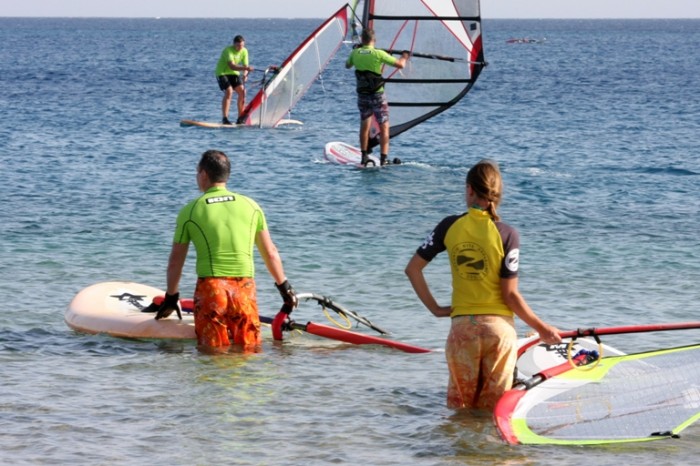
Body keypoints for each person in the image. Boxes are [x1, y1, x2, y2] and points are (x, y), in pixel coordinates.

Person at [404, 159, 561, 410]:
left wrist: (436, 309)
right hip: (499, 333)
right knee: (493, 411)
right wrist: (542, 328)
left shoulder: (448, 226)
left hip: (462, 329)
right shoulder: (508, 234)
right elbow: (510, 295)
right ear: (498, 194)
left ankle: (458, 447)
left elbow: (413, 269)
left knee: (460, 408)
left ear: (469, 190)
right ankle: (487, 450)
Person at [152, 150, 297, 353]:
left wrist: (171, 297)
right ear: (226, 175)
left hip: (212, 291)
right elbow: (270, 253)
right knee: (249, 353)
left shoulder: (191, 210)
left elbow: (176, 261)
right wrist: (285, 289)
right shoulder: (251, 206)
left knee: (212, 356)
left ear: (203, 174)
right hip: (244, 290)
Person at [345, 29, 409, 166]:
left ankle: (363, 156)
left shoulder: (355, 53)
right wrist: (405, 56)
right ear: (374, 40)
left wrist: (357, 51)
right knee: (384, 126)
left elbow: (347, 65)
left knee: (364, 125)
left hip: (362, 96)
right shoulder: (378, 53)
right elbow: (401, 65)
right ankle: (383, 158)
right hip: (377, 96)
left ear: (362, 40)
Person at [215, 35, 253, 125]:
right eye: (238, 46)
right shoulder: (228, 51)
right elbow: (232, 66)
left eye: (242, 46)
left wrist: (245, 75)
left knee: (243, 91)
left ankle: (240, 118)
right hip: (222, 73)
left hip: (234, 74)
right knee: (229, 91)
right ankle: (225, 118)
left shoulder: (244, 51)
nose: (240, 48)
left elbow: (245, 66)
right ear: (234, 44)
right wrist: (246, 69)